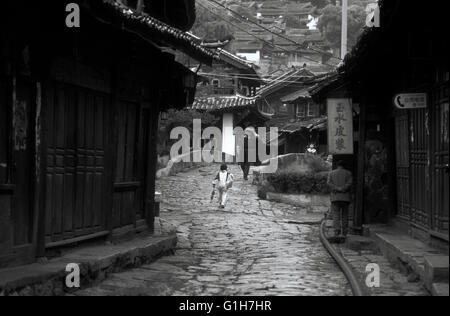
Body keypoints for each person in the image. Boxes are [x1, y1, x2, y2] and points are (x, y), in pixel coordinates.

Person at [327, 160, 353, 237]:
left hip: (335, 197)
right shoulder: (348, 173)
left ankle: (336, 231)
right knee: (345, 215)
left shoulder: (331, 173)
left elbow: (328, 182)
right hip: (345, 197)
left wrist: (336, 188)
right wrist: (342, 188)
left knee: (336, 215)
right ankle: (344, 232)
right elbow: (350, 183)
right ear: (344, 166)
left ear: (337, 165)